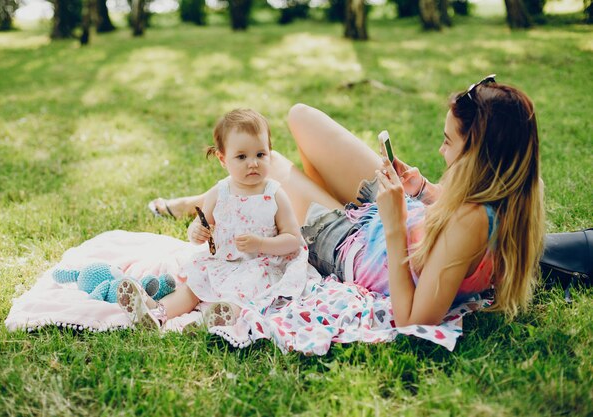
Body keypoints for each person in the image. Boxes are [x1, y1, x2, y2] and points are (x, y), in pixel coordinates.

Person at [150, 75, 545, 327]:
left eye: (448, 142)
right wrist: (424, 190)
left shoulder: (470, 224)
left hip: (349, 244)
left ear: (478, 156)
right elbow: (458, 211)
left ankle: (203, 201)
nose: (440, 151)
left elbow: (412, 320)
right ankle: (209, 198)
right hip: (392, 213)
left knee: (272, 170)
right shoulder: (508, 199)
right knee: (301, 117)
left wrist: (393, 226)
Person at [118, 109, 307, 329]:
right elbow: (202, 225)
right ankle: (158, 312)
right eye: (242, 157)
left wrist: (262, 244)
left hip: (260, 264)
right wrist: (196, 231)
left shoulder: (274, 194)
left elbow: (293, 239)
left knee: (243, 292)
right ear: (222, 159)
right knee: (194, 285)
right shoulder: (220, 193)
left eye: (260, 154)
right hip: (223, 261)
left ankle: (208, 321)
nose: (253, 163)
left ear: (270, 153)